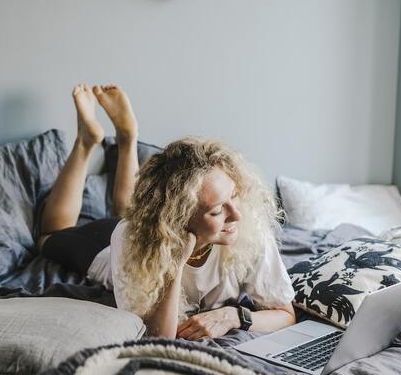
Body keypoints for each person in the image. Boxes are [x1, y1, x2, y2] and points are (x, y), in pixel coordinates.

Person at [37, 83, 296, 340]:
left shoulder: (247, 226)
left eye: (234, 196)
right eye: (217, 212)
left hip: (149, 225)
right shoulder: (130, 239)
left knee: (129, 210)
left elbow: (286, 314)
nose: (236, 215)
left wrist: (233, 316)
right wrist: (175, 262)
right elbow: (158, 337)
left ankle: (127, 139)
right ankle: (86, 141)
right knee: (49, 234)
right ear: (178, 220)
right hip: (105, 247)